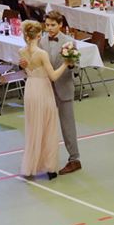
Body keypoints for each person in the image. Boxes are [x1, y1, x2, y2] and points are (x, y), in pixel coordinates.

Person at [31, 13, 83, 175]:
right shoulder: (41, 41)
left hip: (64, 88)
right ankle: (46, 160)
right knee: (45, 125)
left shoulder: (69, 42)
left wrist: (71, 64)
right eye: (47, 25)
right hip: (46, 88)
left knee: (68, 126)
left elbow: (77, 67)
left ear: (60, 24)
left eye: (53, 25)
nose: (49, 28)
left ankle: (74, 159)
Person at [15, 28, 68, 181]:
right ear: (39, 35)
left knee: (33, 127)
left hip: (30, 88)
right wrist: (66, 63)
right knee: (48, 127)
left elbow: (26, 69)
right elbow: (53, 76)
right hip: (43, 89)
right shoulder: (42, 54)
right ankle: (50, 167)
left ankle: (31, 165)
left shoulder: (21, 51)